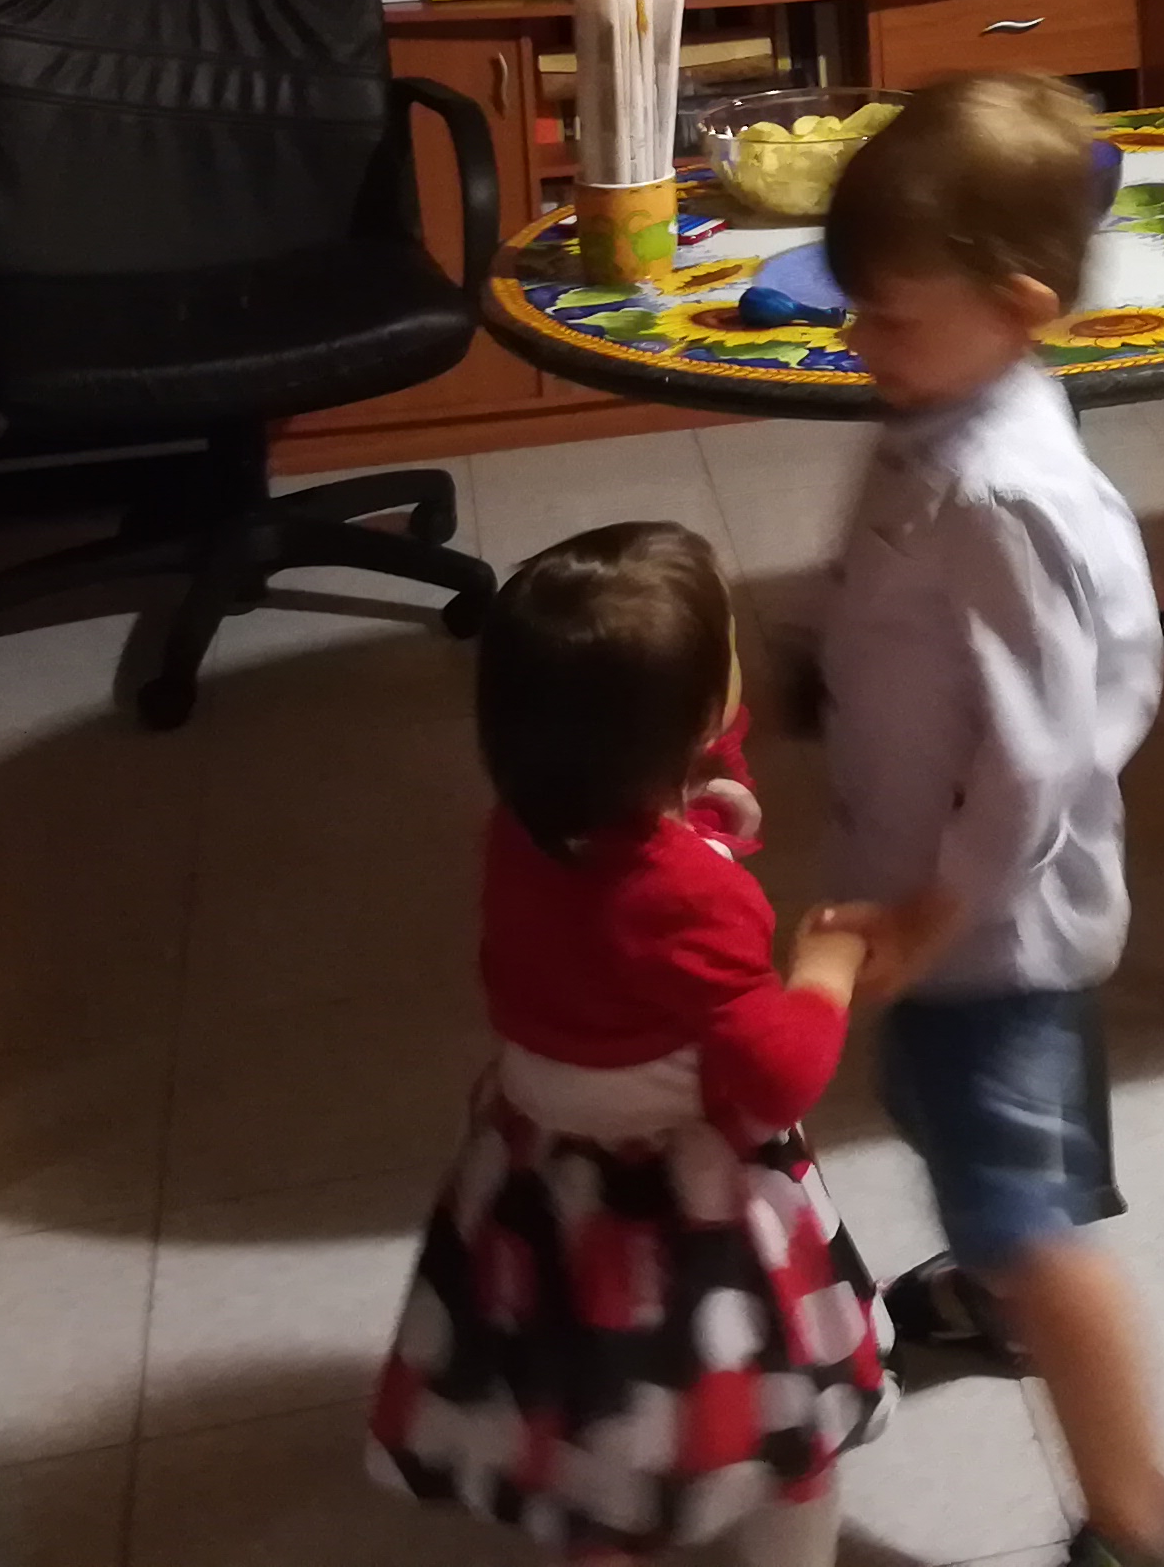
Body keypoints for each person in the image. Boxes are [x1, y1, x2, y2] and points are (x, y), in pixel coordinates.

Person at [807, 73, 1164, 1567]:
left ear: (1020, 307)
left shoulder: (1002, 491)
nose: (859, 344)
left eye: (888, 318)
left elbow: (1034, 761)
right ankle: (987, 1280)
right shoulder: (950, 402)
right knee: (953, 1120)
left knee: (1029, 1212)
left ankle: (1139, 1524)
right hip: (951, 900)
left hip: (990, 929)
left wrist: (932, 910)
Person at [370, 524, 889, 1567]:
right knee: (787, 1426)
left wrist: (701, 772)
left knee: (593, 1428)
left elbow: (641, 881)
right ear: (690, 721)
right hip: (678, 1200)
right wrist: (826, 970)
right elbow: (776, 1074)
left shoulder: (523, 828)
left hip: (541, 1173)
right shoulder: (689, 898)